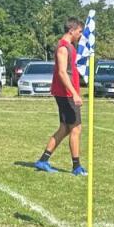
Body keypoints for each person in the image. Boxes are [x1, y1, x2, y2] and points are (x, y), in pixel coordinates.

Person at [35, 17, 86, 176]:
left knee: (65, 128)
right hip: (66, 94)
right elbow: (62, 73)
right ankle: (76, 167)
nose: (80, 35)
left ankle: (43, 160)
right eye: (79, 31)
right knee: (76, 128)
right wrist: (74, 93)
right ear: (71, 30)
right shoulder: (63, 47)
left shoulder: (71, 47)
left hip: (67, 93)